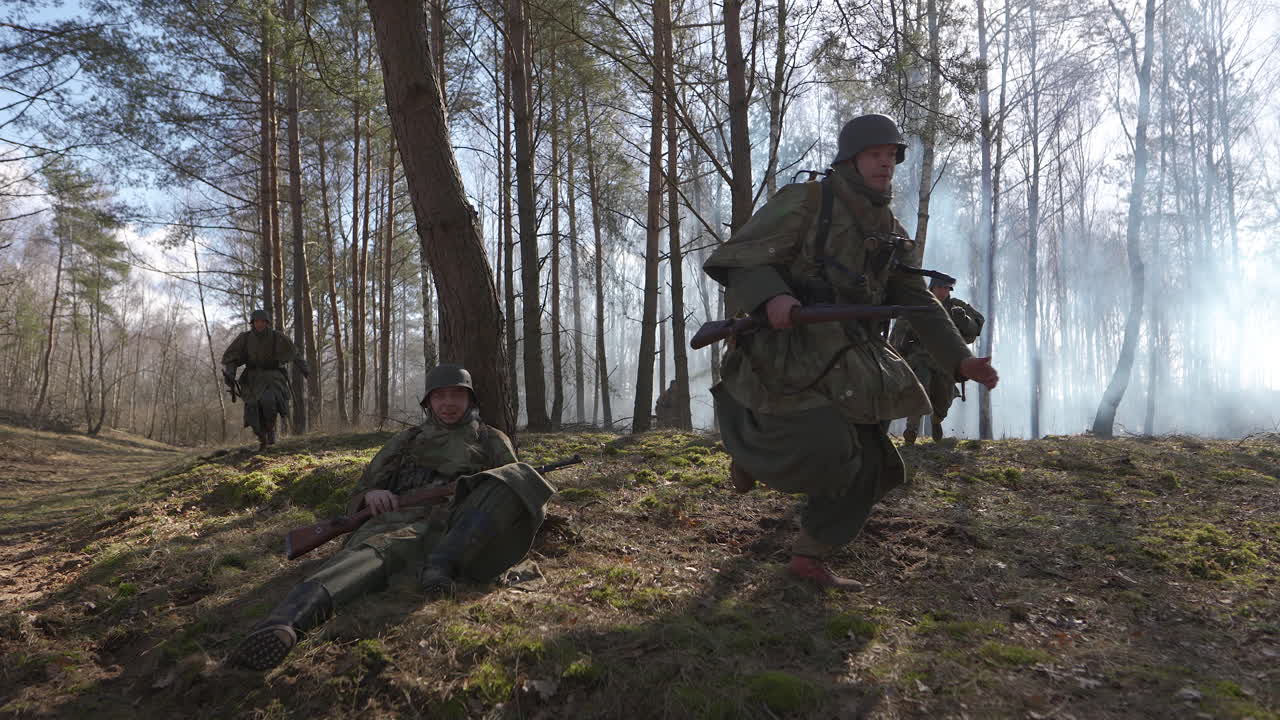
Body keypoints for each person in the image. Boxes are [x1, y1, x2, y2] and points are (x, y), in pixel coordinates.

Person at [702, 114, 999, 590]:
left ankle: (810, 556)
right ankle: (748, 452)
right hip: (786, 351)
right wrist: (774, 296)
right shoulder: (806, 201)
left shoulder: (891, 228)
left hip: (854, 360)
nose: (886, 164)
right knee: (826, 443)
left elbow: (915, 299)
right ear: (851, 159)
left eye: (892, 156)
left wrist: (959, 359)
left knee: (874, 462)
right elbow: (742, 258)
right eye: (875, 155)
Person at [229, 364, 555, 671]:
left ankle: (442, 564)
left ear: (470, 399)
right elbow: (362, 490)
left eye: (457, 395)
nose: (449, 403)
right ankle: (286, 622)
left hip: (462, 530)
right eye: (440, 396)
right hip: (401, 523)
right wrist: (371, 496)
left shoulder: (492, 440)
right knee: (373, 554)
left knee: (517, 477)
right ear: (429, 402)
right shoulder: (406, 441)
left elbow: (509, 495)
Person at [890, 273, 985, 443]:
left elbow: (976, 325)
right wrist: (898, 352)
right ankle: (911, 430)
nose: (944, 291)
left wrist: (963, 320)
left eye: (947, 288)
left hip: (945, 362)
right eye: (940, 287)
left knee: (943, 400)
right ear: (932, 287)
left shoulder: (956, 306)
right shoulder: (917, 305)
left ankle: (936, 420)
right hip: (919, 359)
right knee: (920, 390)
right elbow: (898, 332)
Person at [221, 309, 306, 451]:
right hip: (252, 378)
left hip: (273, 377)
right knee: (252, 408)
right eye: (256, 322)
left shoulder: (276, 337)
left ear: (267, 323)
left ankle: (270, 430)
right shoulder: (245, 338)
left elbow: (294, 352)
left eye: (262, 322)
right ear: (252, 323)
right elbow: (232, 358)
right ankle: (262, 438)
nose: (259, 324)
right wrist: (230, 373)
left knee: (269, 402)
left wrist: (304, 368)